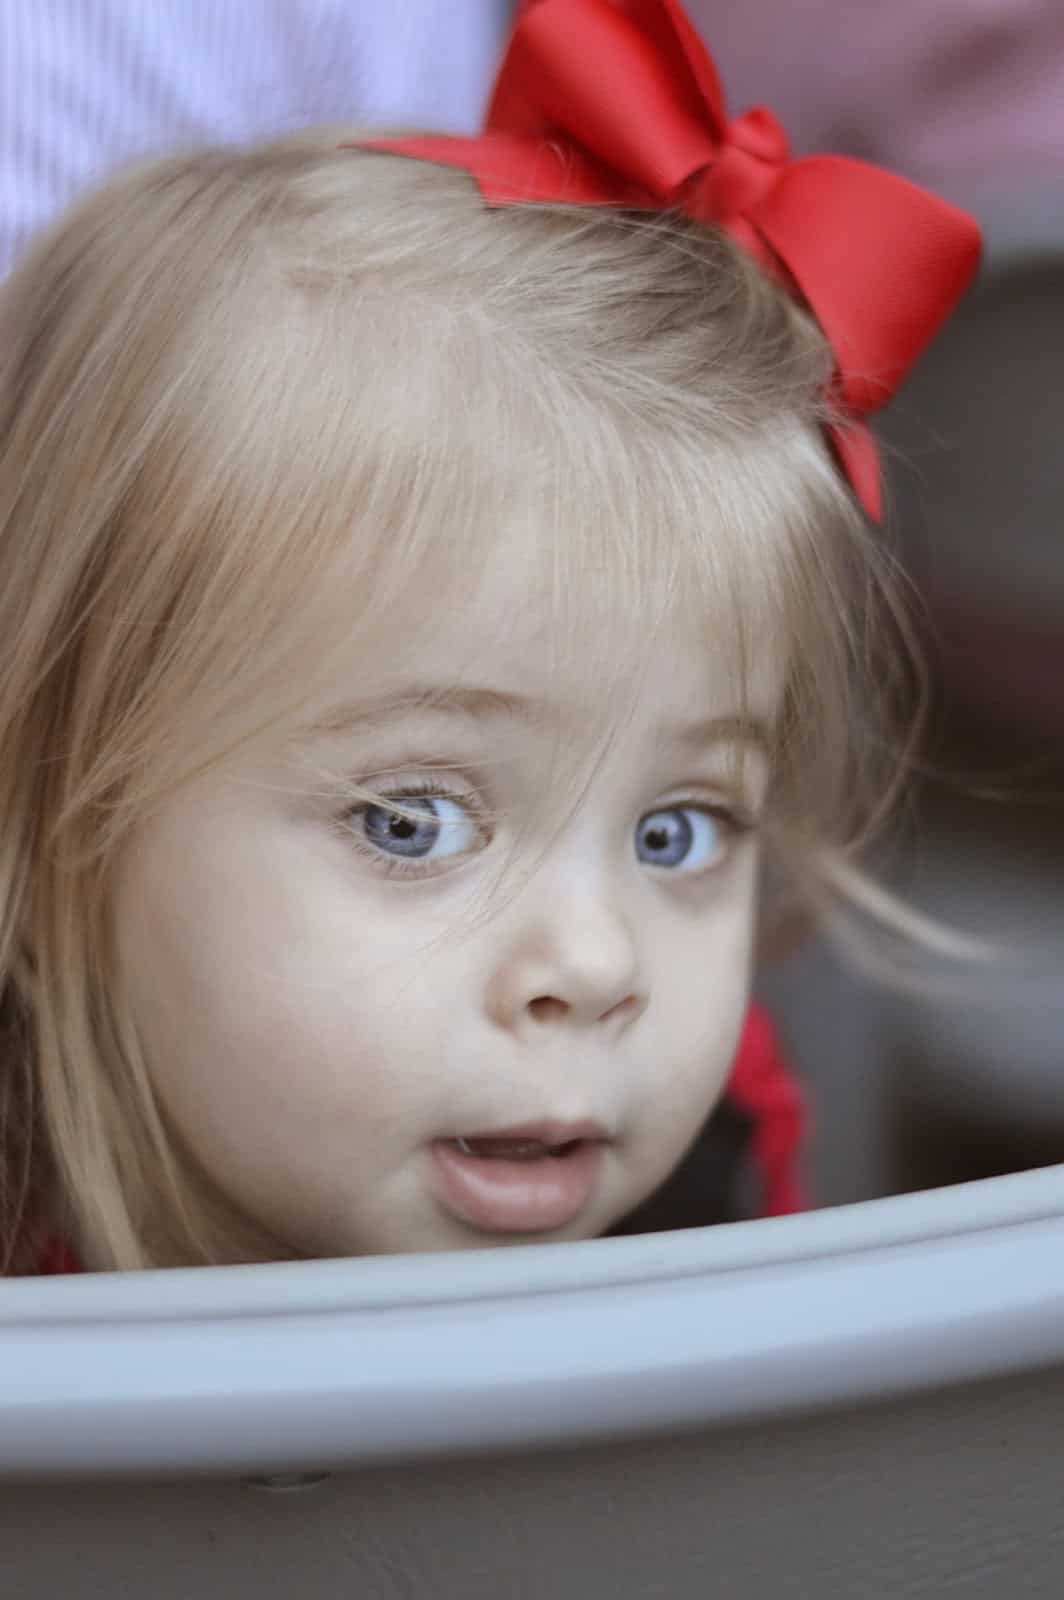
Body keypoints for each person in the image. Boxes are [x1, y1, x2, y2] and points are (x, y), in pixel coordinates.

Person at [0, 0, 980, 1274]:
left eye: (675, 829)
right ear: (48, 818)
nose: (594, 962)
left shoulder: (712, 1163)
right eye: (412, 821)